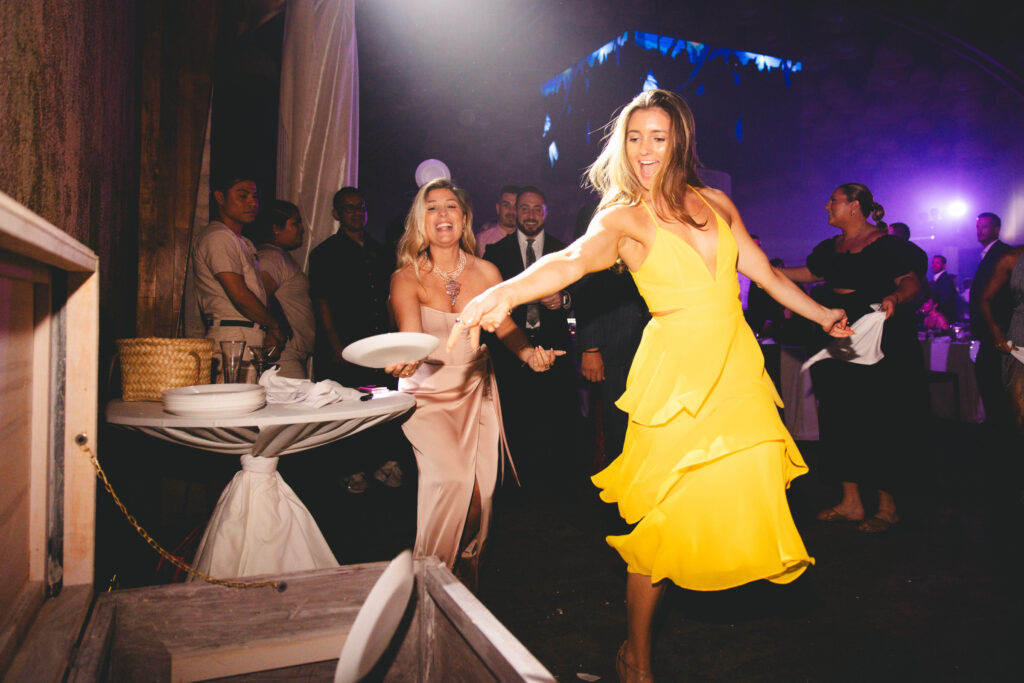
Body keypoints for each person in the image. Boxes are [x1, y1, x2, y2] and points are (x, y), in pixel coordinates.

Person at [451, 89, 851, 681]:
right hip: (676, 373)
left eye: (657, 137)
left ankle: (690, 590)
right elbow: (569, 262)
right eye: (634, 137)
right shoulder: (623, 218)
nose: (644, 150)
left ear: (679, 142)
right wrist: (502, 292)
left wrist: (821, 316)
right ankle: (635, 654)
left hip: (734, 366)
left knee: (742, 483)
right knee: (662, 520)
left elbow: (762, 272)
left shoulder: (717, 202)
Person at [385, 178, 559, 588]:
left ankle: (456, 581)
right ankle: (428, 587)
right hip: (428, 398)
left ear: (463, 218)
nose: (442, 215)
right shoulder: (405, 277)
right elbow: (410, 336)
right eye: (432, 208)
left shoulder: (487, 271)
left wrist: (529, 355)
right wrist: (405, 362)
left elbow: (506, 328)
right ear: (419, 220)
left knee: (481, 504)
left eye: (451, 206)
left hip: (476, 394)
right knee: (452, 485)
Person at [784, 183, 926, 535]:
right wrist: (764, 273)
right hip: (838, 334)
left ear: (854, 206)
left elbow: (911, 281)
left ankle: (887, 507)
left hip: (878, 336)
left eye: (833, 200)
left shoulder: (888, 244)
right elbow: (809, 273)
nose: (826, 205)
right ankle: (851, 502)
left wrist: (895, 296)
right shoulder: (830, 248)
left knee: (879, 418)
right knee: (839, 414)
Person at [483, 186, 580, 488]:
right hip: (509, 348)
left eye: (537, 209)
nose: (530, 215)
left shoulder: (564, 250)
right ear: (514, 211)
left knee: (555, 417)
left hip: (555, 346)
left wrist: (564, 299)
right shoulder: (495, 252)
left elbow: (583, 294)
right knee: (515, 416)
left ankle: (554, 483)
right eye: (524, 208)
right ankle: (515, 481)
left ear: (545, 213)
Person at [308, 187, 403, 493]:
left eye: (360, 207)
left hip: (377, 343)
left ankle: (382, 464)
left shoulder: (379, 251)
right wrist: (335, 344)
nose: (356, 213)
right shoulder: (324, 253)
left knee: (379, 405)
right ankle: (350, 470)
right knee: (347, 407)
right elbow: (321, 302)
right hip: (345, 344)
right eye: (349, 208)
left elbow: (389, 300)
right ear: (336, 214)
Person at [192, 173, 287, 377]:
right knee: (232, 403)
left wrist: (269, 330)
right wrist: (274, 324)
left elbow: (258, 292)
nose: (252, 202)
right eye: (243, 196)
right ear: (220, 197)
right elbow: (240, 296)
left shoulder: (243, 242)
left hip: (250, 335)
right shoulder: (218, 236)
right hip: (231, 336)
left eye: (254, 196)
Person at [253, 200, 315, 378]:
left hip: (294, 352)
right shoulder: (271, 257)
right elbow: (261, 296)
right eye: (295, 223)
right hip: (284, 353)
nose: (301, 229)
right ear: (276, 228)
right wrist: (277, 329)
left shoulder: (280, 256)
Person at [969, 212, 1014, 430]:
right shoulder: (988, 254)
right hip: (988, 329)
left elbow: (998, 296)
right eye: (978, 227)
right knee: (989, 381)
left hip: (998, 329)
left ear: (996, 229)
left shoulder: (1003, 254)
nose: (979, 230)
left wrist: (995, 328)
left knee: (995, 383)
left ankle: (1001, 431)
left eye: (984, 227)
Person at [978, 245, 1024, 427]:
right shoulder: (1012, 257)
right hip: (1021, 339)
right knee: (1019, 413)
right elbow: (985, 298)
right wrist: (996, 331)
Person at [474, 185, 521, 257]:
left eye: (516, 206)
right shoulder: (480, 241)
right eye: (506, 205)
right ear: (498, 208)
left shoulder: (529, 241)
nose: (511, 210)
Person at [929, 254, 958, 323]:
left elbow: (944, 301)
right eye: (933, 263)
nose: (934, 265)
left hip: (944, 319)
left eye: (937, 263)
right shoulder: (936, 280)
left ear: (944, 266)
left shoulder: (945, 280)